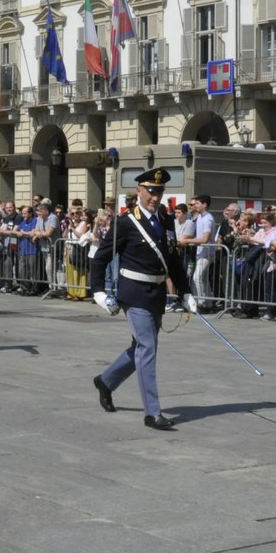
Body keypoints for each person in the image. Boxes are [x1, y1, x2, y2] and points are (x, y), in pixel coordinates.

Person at [89, 168, 195, 430]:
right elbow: (101, 258)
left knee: (141, 348)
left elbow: (172, 261)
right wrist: (99, 291)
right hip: (133, 293)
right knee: (147, 348)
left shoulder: (166, 220)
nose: (155, 197)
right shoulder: (125, 222)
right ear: (139, 191)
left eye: (159, 191)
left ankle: (106, 381)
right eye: (150, 191)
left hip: (156, 293)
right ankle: (152, 412)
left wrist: (186, 292)